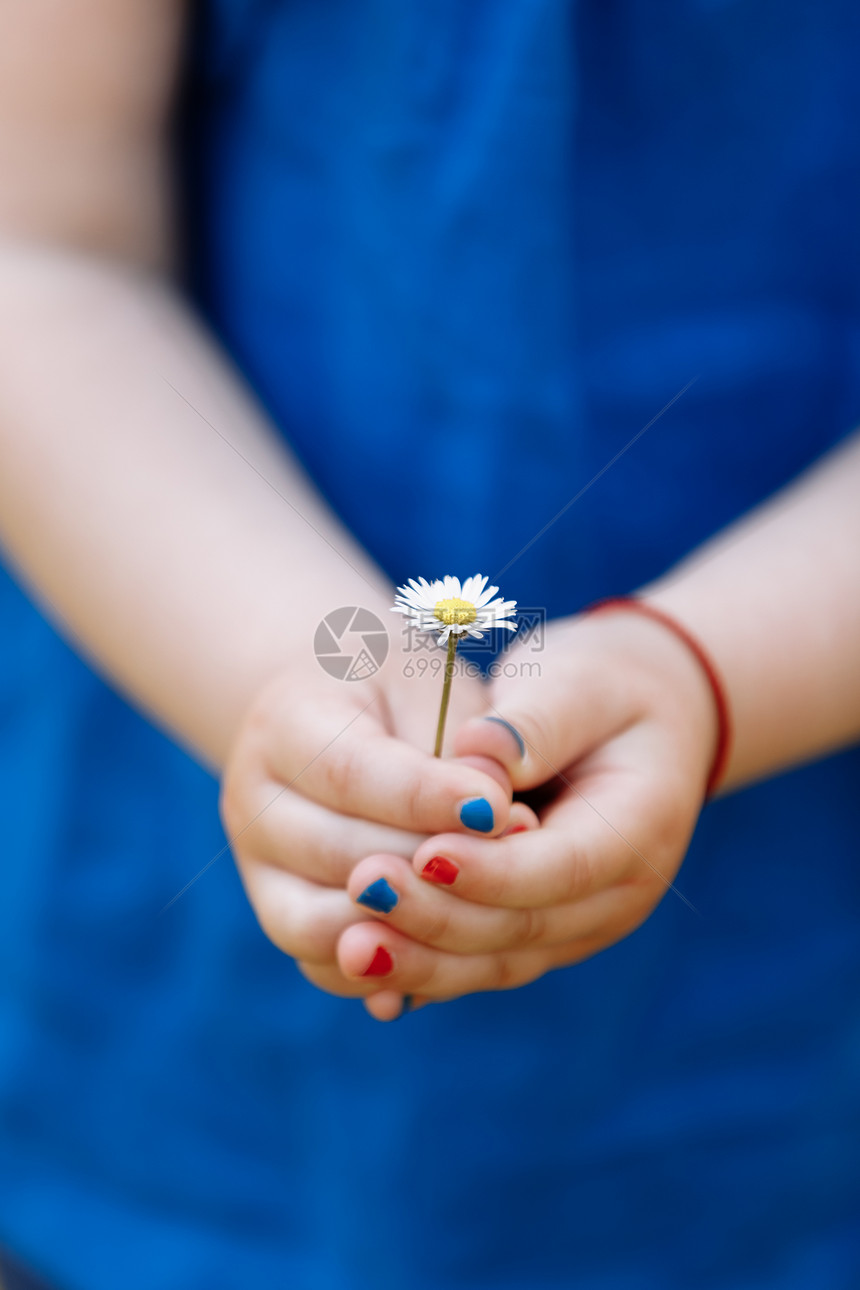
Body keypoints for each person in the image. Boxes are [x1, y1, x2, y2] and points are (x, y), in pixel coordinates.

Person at [0, 1, 858, 1286]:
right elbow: (42, 249)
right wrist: (303, 689)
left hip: (782, 1040)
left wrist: (705, 671)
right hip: (180, 1025)